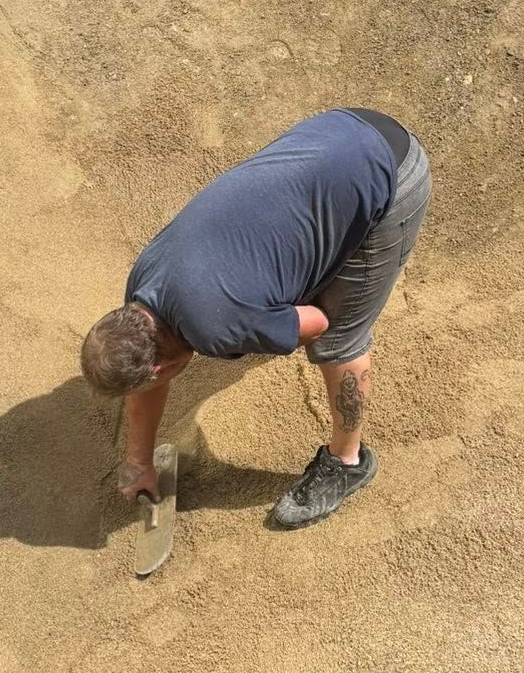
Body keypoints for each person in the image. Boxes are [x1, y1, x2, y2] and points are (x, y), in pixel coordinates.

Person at [80, 109, 431, 531]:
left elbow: (317, 322)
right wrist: (139, 459)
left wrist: (265, 323)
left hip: (393, 175)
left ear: (159, 368)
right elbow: (152, 369)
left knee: (339, 339)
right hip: (339, 129)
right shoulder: (142, 285)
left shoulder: (217, 326)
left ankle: (348, 462)